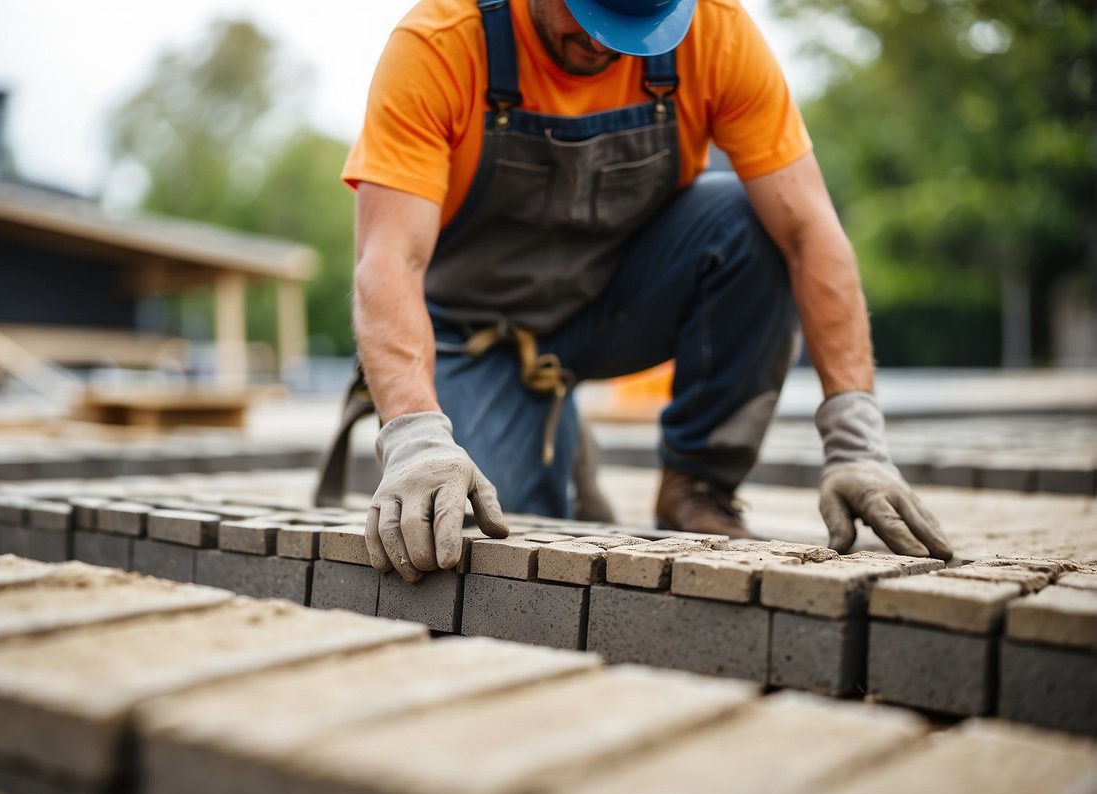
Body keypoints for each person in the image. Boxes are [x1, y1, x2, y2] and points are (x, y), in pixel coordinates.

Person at [341, 0, 952, 582]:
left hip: (610, 306)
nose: (604, 41)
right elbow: (390, 258)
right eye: (587, 15)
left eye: (635, 25)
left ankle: (696, 483)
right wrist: (415, 435)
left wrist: (856, 437)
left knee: (752, 223)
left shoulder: (716, 34)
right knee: (487, 538)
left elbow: (809, 232)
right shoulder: (442, 42)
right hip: (474, 333)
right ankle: (544, 433)